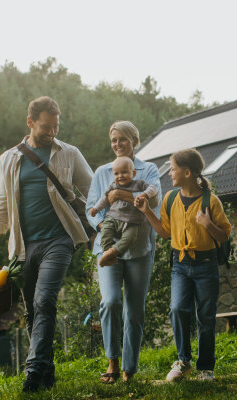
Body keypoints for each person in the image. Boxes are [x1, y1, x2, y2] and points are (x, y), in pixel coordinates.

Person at [0, 96, 93, 392]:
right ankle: (48, 372)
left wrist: (106, 225)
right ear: (30, 123)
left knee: (45, 300)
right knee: (32, 309)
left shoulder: (69, 153)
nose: (52, 131)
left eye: (56, 126)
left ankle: (33, 371)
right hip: (23, 246)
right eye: (46, 126)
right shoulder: (9, 159)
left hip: (60, 239)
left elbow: (94, 191)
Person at [135, 148, 231, 382]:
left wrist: (207, 224)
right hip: (180, 264)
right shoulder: (170, 199)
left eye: (173, 168)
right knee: (177, 308)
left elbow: (224, 236)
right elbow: (165, 233)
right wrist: (147, 211)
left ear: (187, 172)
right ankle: (183, 361)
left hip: (206, 265)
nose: (170, 172)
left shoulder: (210, 200)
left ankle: (206, 368)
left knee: (205, 317)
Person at [86, 121, 161, 383]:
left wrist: (120, 194)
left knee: (134, 311)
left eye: (123, 140)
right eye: (114, 140)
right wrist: (102, 224)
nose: (118, 145)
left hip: (140, 248)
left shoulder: (149, 169)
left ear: (134, 141)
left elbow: (153, 200)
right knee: (110, 302)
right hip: (107, 247)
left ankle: (130, 368)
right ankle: (112, 362)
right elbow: (91, 208)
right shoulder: (102, 172)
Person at [89, 156, 158, 267]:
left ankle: (114, 252)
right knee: (106, 231)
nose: (120, 176)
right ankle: (107, 251)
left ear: (133, 173)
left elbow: (154, 189)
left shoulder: (139, 184)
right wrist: (96, 208)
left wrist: (144, 194)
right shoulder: (112, 186)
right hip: (113, 217)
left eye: (124, 172)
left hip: (132, 220)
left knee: (130, 237)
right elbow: (104, 199)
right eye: (116, 174)